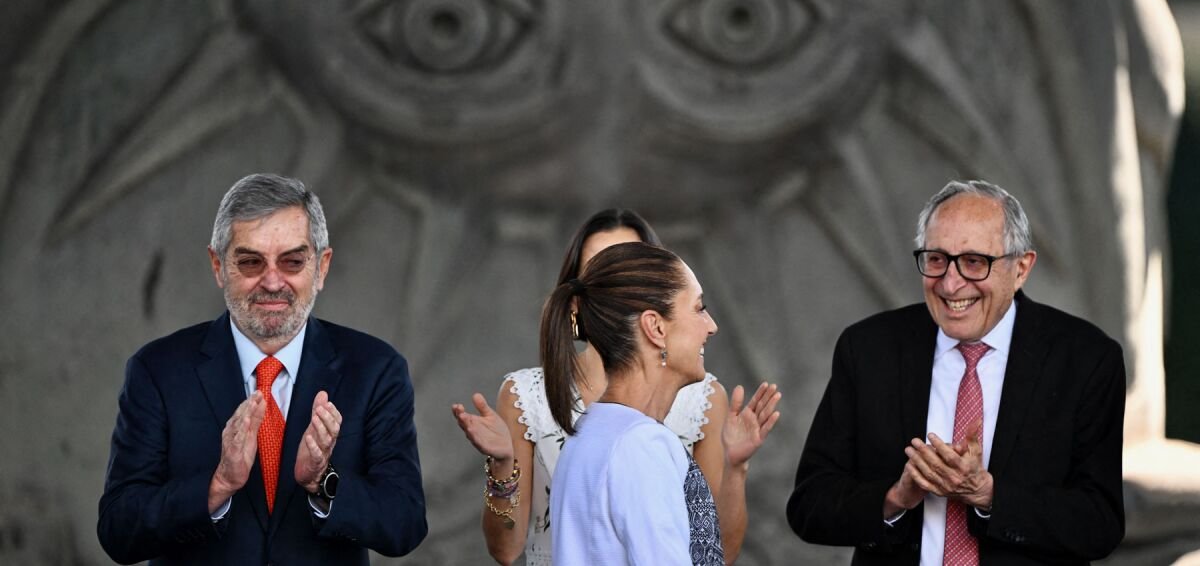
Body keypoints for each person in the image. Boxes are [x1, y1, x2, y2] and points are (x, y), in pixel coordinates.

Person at [787, 180, 1125, 565]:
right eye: (936, 259)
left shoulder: (1085, 360)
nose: (950, 283)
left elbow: (1100, 523)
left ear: (1021, 268)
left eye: (974, 262)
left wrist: (988, 496)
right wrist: (895, 498)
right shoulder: (868, 350)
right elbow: (810, 505)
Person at [97, 173, 427, 565]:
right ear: (218, 266)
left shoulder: (376, 370)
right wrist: (217, 485)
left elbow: (404, 524)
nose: (272, 282)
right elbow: (119, 530)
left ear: (322, 267)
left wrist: (322, 482)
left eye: (292, 261)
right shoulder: (157, 370)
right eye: (251, 262)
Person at [452, 209, 778, 565]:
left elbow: (710, 551)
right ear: (655, 325)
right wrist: (504, 467)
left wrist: (735, 468)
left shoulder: (592, 425)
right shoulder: (640, 441)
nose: (712, 326)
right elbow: (506, 548)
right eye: (698, 309)